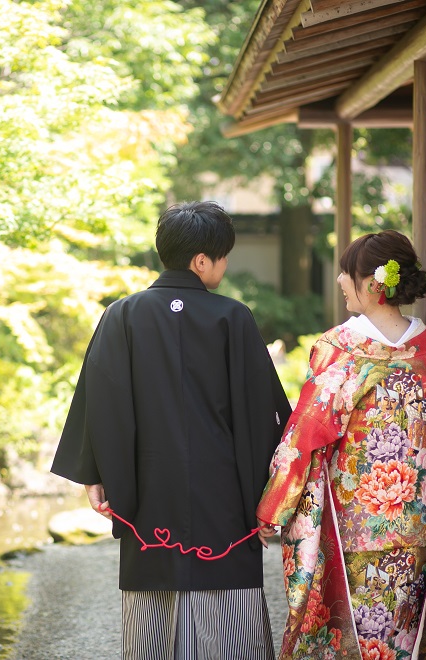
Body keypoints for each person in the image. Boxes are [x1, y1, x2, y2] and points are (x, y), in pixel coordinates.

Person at [51, 200, 291, 659]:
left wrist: (95, 473)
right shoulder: (232, 317)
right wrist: (268, 495)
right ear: (202, 261)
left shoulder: (120, 316)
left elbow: (99, 403)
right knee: (230, 611)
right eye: (223, 256)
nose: (224, 265)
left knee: (152, 612)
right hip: (223, 491)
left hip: (147, 487)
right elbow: (263, 415)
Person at [256, 230, 426, 659]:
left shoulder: (340, 349)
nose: (338, 281)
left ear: (372, 284)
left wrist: (275, 505)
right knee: (409, 616)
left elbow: (304, 436)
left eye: (346, 273)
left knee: (360, 620)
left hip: (358, 517)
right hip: (419, 514)